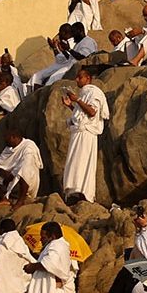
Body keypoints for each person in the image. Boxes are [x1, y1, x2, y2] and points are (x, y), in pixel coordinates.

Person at [61, 65, 109, 203]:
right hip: (78, 133)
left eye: (80, 77)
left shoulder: (94, 92)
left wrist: (76, 100)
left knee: (83, 162)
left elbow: (92, 112)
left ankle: (84, 193)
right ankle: (73, 192)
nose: (77, 79)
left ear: (88, 78)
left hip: (87, 134)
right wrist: (70, 105)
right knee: (74, 162)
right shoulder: (83, 93)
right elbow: (81, 114)